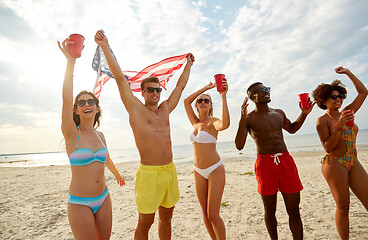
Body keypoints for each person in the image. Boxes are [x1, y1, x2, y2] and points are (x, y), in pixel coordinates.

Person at [94, 30, 195, 240]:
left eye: (158, 89)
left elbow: (180, 86)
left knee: (167, 218)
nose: (155, 93)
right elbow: (121, 79)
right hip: (148, 174)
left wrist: (189, 66)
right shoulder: (136, 109)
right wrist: (105, 46)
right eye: (150, 90)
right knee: (145, 222)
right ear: (143, 92)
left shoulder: (166, 108)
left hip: (169, 171)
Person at [58, 36, 125, 240]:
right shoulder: (71, 133)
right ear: (76, 110)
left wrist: (117, 174)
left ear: (96, 108)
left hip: (103, 197)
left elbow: (106, 158)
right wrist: (71, 62)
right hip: (80, 202)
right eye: (81, 102)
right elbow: (66, 98)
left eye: (90, 101)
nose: (86, 104)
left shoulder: (100, 135)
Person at [235, 82, 314, 240]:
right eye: (262, 90)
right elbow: (239, 145)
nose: (267, 92)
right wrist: (242, 119)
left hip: (285, 161)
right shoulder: (249, 119)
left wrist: (304, 113)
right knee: (270, 209)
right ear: (252, 97)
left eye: (267, 89)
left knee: (293, 210)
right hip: (265, 164)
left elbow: (292, 128)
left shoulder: (278, 113)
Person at [312, 66, 368, 240]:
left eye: (341, 96)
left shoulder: (347, 112)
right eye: (334, 97)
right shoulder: (322, 121)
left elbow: (363, 92)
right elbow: (328, 147)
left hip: (353, 161)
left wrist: (348, 73)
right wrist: (339, 127)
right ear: (324, 100)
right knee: (343, 207)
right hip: (335, 163)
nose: (338, 100)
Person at [184, 81, 230, 239]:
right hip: (198, 170)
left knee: (213, 215)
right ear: (197, 105)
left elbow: (225, 125)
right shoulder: (195, 122)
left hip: (215, 169)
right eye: (200, 101)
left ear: (211, 106)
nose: (203, 102)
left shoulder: (213, 122)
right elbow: (185, 101)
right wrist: (204, 89)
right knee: (205, 214)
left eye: (206, 101)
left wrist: (223, 96)